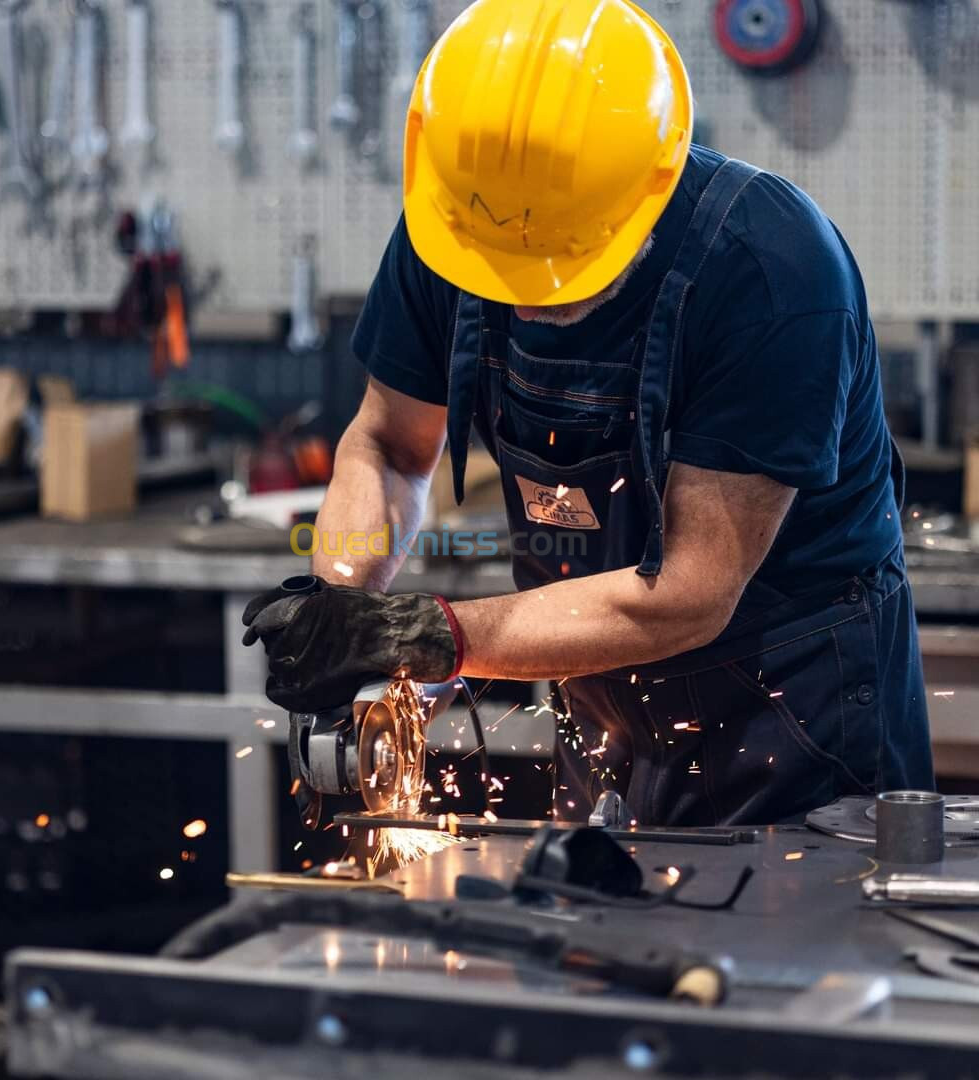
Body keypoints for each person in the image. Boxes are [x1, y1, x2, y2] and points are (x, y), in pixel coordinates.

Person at [242, 0, 933, 826]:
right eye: (503, 273)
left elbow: (689, 590)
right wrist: (343, 611)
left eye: (562, 267)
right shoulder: (462, 221)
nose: (527, 296)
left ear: (653, 185)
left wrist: (431, 632)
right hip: (597, 690)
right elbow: (389, 448)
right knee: (595, 933)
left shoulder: (772, 274)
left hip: (794, 709)